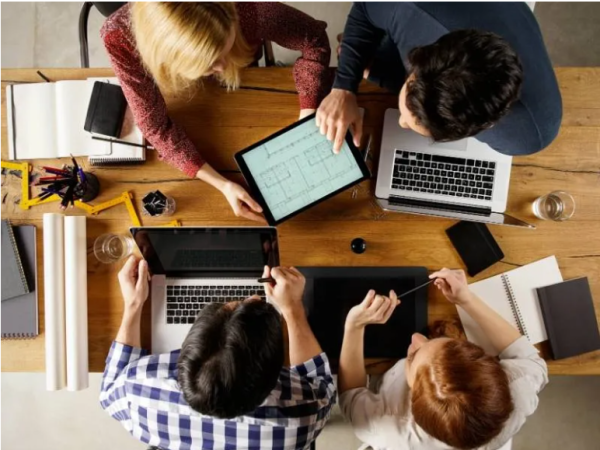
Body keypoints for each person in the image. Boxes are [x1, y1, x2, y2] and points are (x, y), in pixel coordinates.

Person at [101, 2, 331, 222]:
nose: (221, 68)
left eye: (225, 47)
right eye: (209, 63)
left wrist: (308, 113)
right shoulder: (119, 39)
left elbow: (314, 39)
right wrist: (222, 184)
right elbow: (155, 127)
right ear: (167, 58)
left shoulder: (246, 10)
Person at [100, 257, 336, 450]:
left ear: (184, 355)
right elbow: (321, 383)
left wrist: (133, 304)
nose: (252, 297)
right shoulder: (303, 419)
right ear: (275, 372)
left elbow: (108, 391)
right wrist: (292, 307)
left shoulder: (136, 394)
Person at [338, 268, 548, 450]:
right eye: (449, 342)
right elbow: (529, 358)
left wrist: (354, 326)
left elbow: (351, 397)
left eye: (412, 357)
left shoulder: (387, 428)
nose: (416, 337)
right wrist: (467, 299)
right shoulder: (517, 390)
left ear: (413, 400)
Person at [317, 3, 562, 157]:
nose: (401, 122)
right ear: (419, 59)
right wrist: (344, 87)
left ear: (484, 128)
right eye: (407, 114)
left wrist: (379, 74)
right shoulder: (409, 8)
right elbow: (365, 8)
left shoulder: (527, 135)